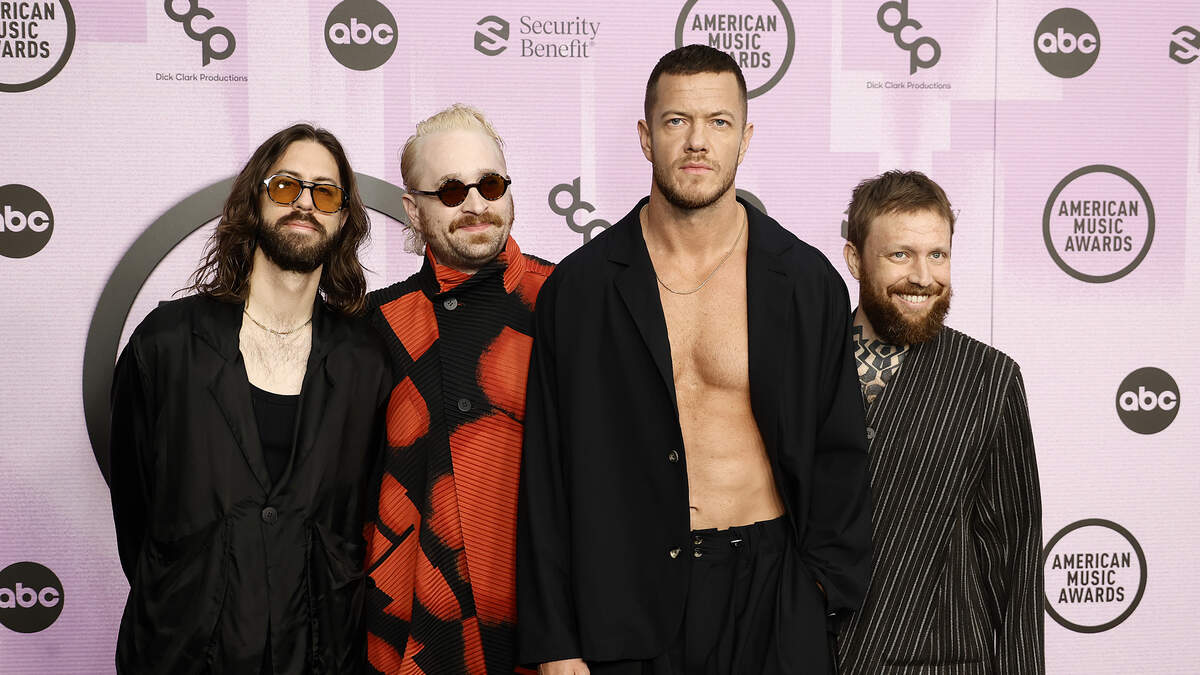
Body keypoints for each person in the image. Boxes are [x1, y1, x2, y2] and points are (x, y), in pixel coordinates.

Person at [517, 44, 872, 675]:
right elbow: (546, 474)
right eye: (676, 120)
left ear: (745, 139)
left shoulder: (807, 283)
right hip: (624, 599)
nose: (697, 142)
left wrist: (819, 591)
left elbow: (839, 453)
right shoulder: (579, 291)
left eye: (719, 121)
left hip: (771, 595)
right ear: (645, 137)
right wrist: (555, 640)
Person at [108, 124, 390, 673]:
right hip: (180, 654)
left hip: (320, 656)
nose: (304, 204)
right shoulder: (166, 345)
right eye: (286, 186)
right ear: (254, 200)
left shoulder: (368, 363)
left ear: (343, 220)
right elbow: (135, 514)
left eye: (325, 193)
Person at [362, 104, 553, 674]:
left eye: (490, 185)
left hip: (546, 632)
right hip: (418, 631)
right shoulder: (375, 324)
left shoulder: (564, 301)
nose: (475, 205)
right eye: (449, 191)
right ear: (412, 209)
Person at [835, 170, 1044, 674]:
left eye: (937, 255)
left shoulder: (988, 378)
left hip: (939, 659)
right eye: (900, 254)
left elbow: (1014, 556)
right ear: (855, 259)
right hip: (807, 653)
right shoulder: (801, 365)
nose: (923, 277)